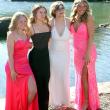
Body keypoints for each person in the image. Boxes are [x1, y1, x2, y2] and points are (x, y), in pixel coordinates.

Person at [70, 0, 100, 110]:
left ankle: (87, 102)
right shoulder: (73, 19)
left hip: (88, 51)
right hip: (77, 53)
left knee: (84, 76)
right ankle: (82, 99)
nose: (82, 7)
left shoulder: (89, 17)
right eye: (79, 5)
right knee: (81, 76)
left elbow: (91, 37)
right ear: (75, 6)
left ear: (87, 7)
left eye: (84, 5)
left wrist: (87, 54)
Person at [5, 12, 39, 110]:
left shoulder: (26, 33)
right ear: (15, 22)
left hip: (25, 65)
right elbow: (10, 55)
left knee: (33, 90)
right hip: (14, 66)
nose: (23, 23)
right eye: (21, 21)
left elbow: (35, 33)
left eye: (25, 21)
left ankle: (22, 108)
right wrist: (12, 70)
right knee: (16, 92)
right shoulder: (11, 35)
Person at [49, 1, 71, 108]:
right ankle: (56, 102)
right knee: (54, 77)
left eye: (62, 9)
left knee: (64, 77)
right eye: (58, 9)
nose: (61, 11)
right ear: (54, 11)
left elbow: (79, 33)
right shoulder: (50, 22)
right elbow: (46, 40)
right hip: (53, 55)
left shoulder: (69, 21)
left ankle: (65, 101)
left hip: (65, 55)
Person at [28, 4, 51, 110]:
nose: (43, 14)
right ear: (35, 13)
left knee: (45, 85)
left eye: (44, 12)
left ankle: (44, 107)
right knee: (37, 85)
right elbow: (23, 42)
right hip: (34, 59)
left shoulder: (48, 25)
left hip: (46, 58)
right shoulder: (30, 27)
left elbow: (50, 43)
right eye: (40, 12)